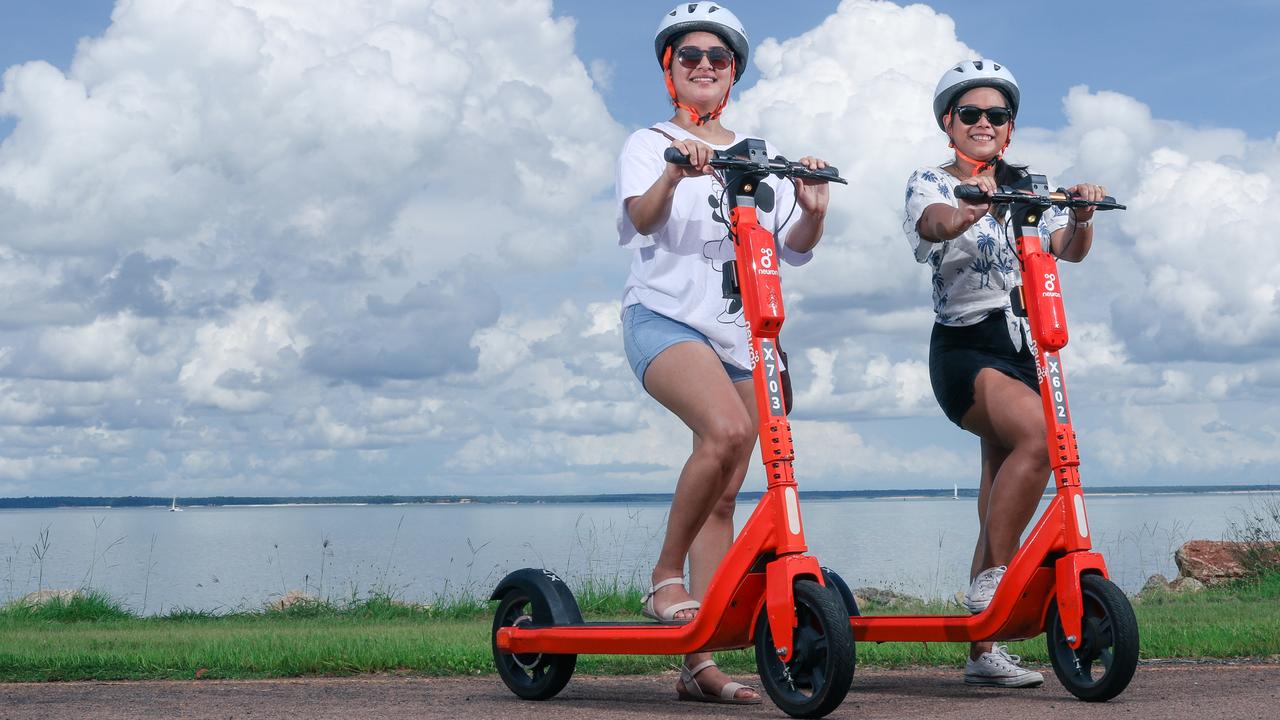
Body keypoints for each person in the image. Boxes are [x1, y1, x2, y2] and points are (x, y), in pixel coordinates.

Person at [616, 2, 832, 705]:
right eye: (690, 57)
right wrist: (678, 172)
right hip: (664, 319)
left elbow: (791, 250)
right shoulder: (650, 142)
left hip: (742, 335)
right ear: (669, 69)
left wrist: (815, 206)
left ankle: (697, 663)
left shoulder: (759, 152)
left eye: (717, 57)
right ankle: (664, 578)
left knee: (726, 491)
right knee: (728, 432)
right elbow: (641, 218)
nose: (704, 65)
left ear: (733, 70)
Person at [903, 59, 1108, 687]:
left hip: (1027, 345)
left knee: (998, 488)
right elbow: (932, 225)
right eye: (971, 114)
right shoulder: (931, 180)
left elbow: (1063, 251)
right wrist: (971, 208)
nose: (984, 123)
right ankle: (998, 579)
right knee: (1042, 441)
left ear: (1010, 128)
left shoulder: (1024, 183)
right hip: (968, 346)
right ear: (950, 122)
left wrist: (1079, 216)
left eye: (997, 115)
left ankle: (982, 650)